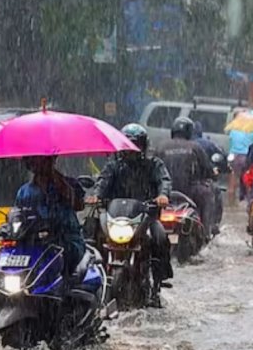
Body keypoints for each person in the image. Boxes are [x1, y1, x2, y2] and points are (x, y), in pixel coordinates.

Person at [86, 123, 172, 305]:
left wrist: (163, 195)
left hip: (145, 216)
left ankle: (157, 282)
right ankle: (90, 275)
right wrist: (95, 195)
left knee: (161, 237)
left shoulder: (153, 164)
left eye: (136, 144)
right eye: (128, 144)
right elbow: (102, 181)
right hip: (115, 217)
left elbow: (164, 180)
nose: (132, 149)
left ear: (143, 145)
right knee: (90, 229)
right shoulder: (114, 165)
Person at [15, 156, 86, 275]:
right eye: (33, 161)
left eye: (43, 160)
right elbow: (17, 215)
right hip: (35, 243)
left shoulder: (68, 184)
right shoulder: (24, 192)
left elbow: (79, 205)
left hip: (66, 240)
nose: (38, 164)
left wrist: (62, 185)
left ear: (52, 161)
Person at [157, 117, 217, 241]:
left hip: (164, 193)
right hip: (190, 192)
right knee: (208, 194)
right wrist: (213, 174)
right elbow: (207, 170)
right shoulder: (195, 147)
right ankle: (206, 233)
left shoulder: (160, 147)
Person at [193, 121, 226, 234]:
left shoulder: (168, 146)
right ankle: (210, 227)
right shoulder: (204, 145)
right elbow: (220, 158)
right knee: (213, 195)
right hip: (199, 184)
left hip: (177, 186)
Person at [229, 127, 253, 202]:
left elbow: (231, 141)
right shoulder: (252, 132)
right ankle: (247, 199)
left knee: (233, 177)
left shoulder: (233, 131)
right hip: (245, 157)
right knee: (247, 178)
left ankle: (231, 201)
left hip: (233, 156)